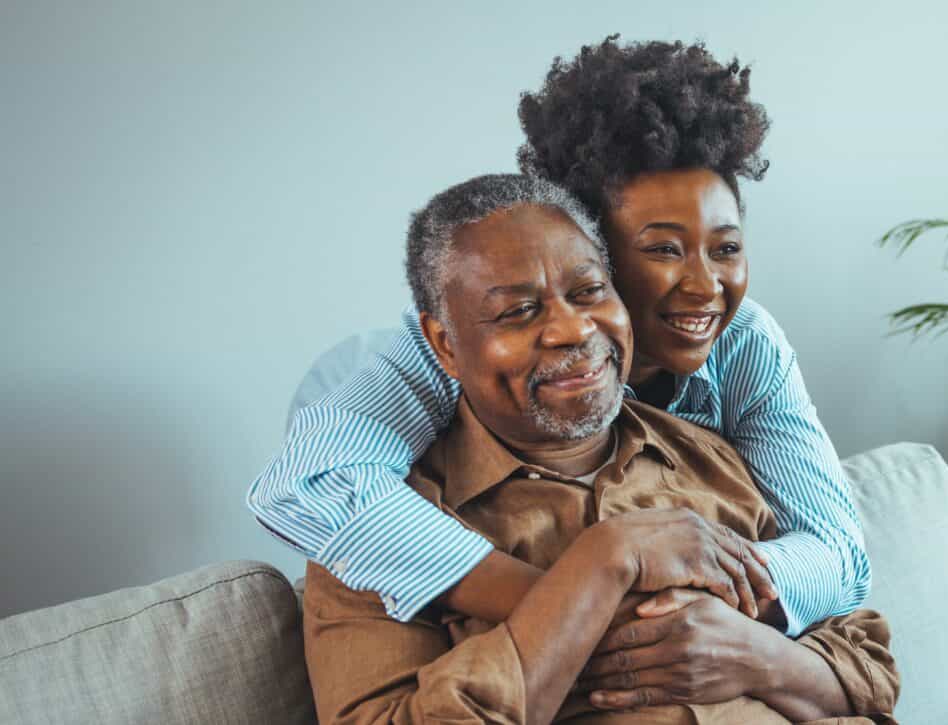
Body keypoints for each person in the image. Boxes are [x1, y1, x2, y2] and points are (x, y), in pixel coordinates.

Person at [249, 36, 868, 640]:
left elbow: (840, 554)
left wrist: (700, 612)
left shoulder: (746, 342)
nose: (706, 286)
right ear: (587, 249)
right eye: (663, 250)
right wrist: (577, 608)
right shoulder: (455, 350)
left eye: (726, 248)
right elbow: (308, 481)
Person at [301, 173, 898, 724]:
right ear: (444, 343)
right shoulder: (371, 535)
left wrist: (752, 655)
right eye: (519, 311)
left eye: (589, 291)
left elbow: (869, 672)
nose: (573, 330)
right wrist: (603, 564)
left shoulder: (707, 453)